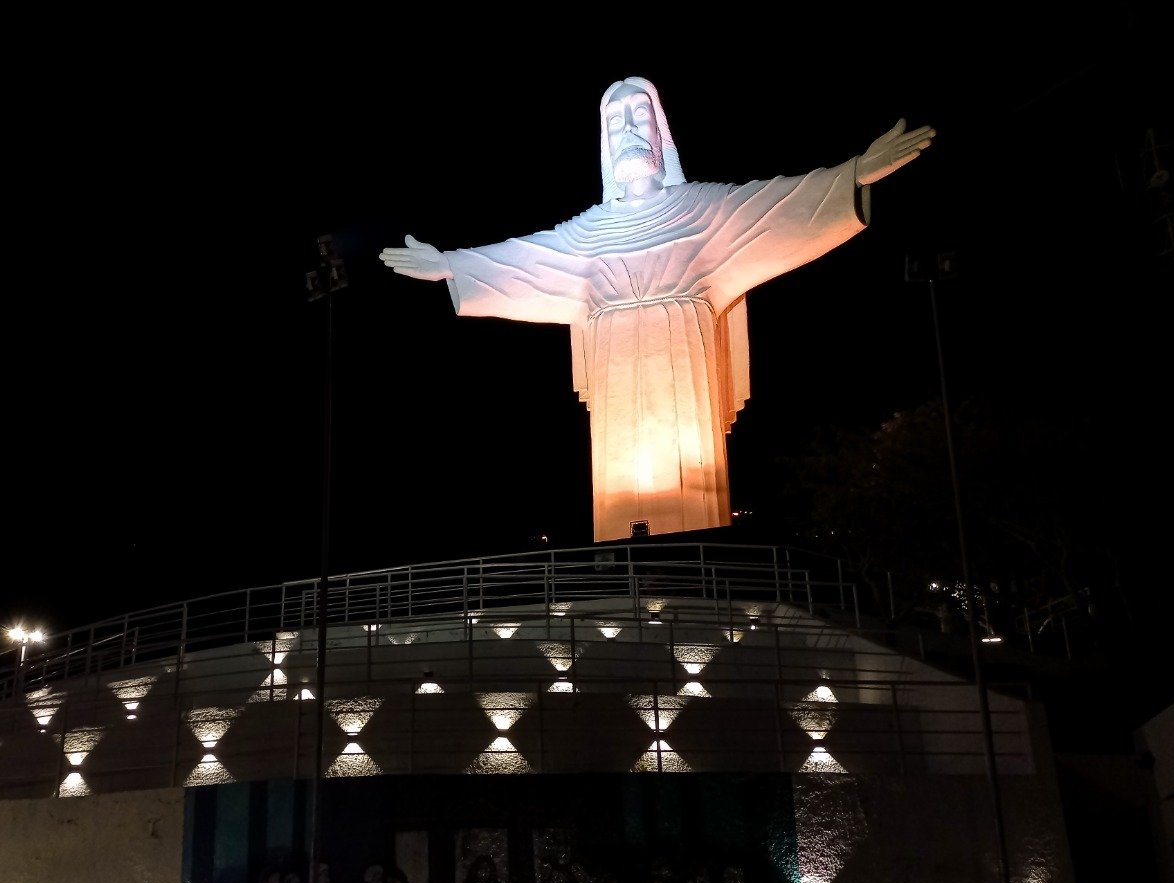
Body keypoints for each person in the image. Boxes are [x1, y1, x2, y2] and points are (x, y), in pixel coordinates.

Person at [381, 78, 935, 542]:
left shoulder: (705, 210)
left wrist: (852, 175)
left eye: (638, 114)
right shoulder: (586, 235)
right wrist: (452, 265)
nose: (627, 127)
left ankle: (695, 556)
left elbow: (779, 205)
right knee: (621, 505)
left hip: (684, 365)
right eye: (614, 119)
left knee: (691, 502)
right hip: (617, 375)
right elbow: (522, 259)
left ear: (659, 132)